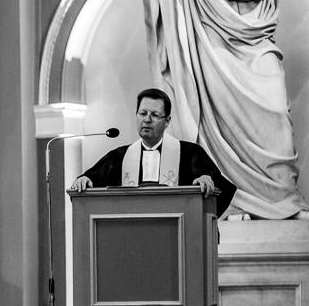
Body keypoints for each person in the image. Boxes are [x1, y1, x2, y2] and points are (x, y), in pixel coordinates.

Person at [56, 0, 309, 220]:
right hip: (204, 51)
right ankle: (230, 205)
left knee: (275, 123)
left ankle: (282, 200)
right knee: (208, 130)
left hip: (252, 48)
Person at [71, 88, 237, 216]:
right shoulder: (119, 157)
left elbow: (222, 187)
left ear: (167, 121)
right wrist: (84, 179)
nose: (147, 119)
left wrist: (208, 180)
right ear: (136, 115)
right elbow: (91, 180)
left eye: (155, 115)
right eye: (143, 113)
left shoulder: (190, 154)